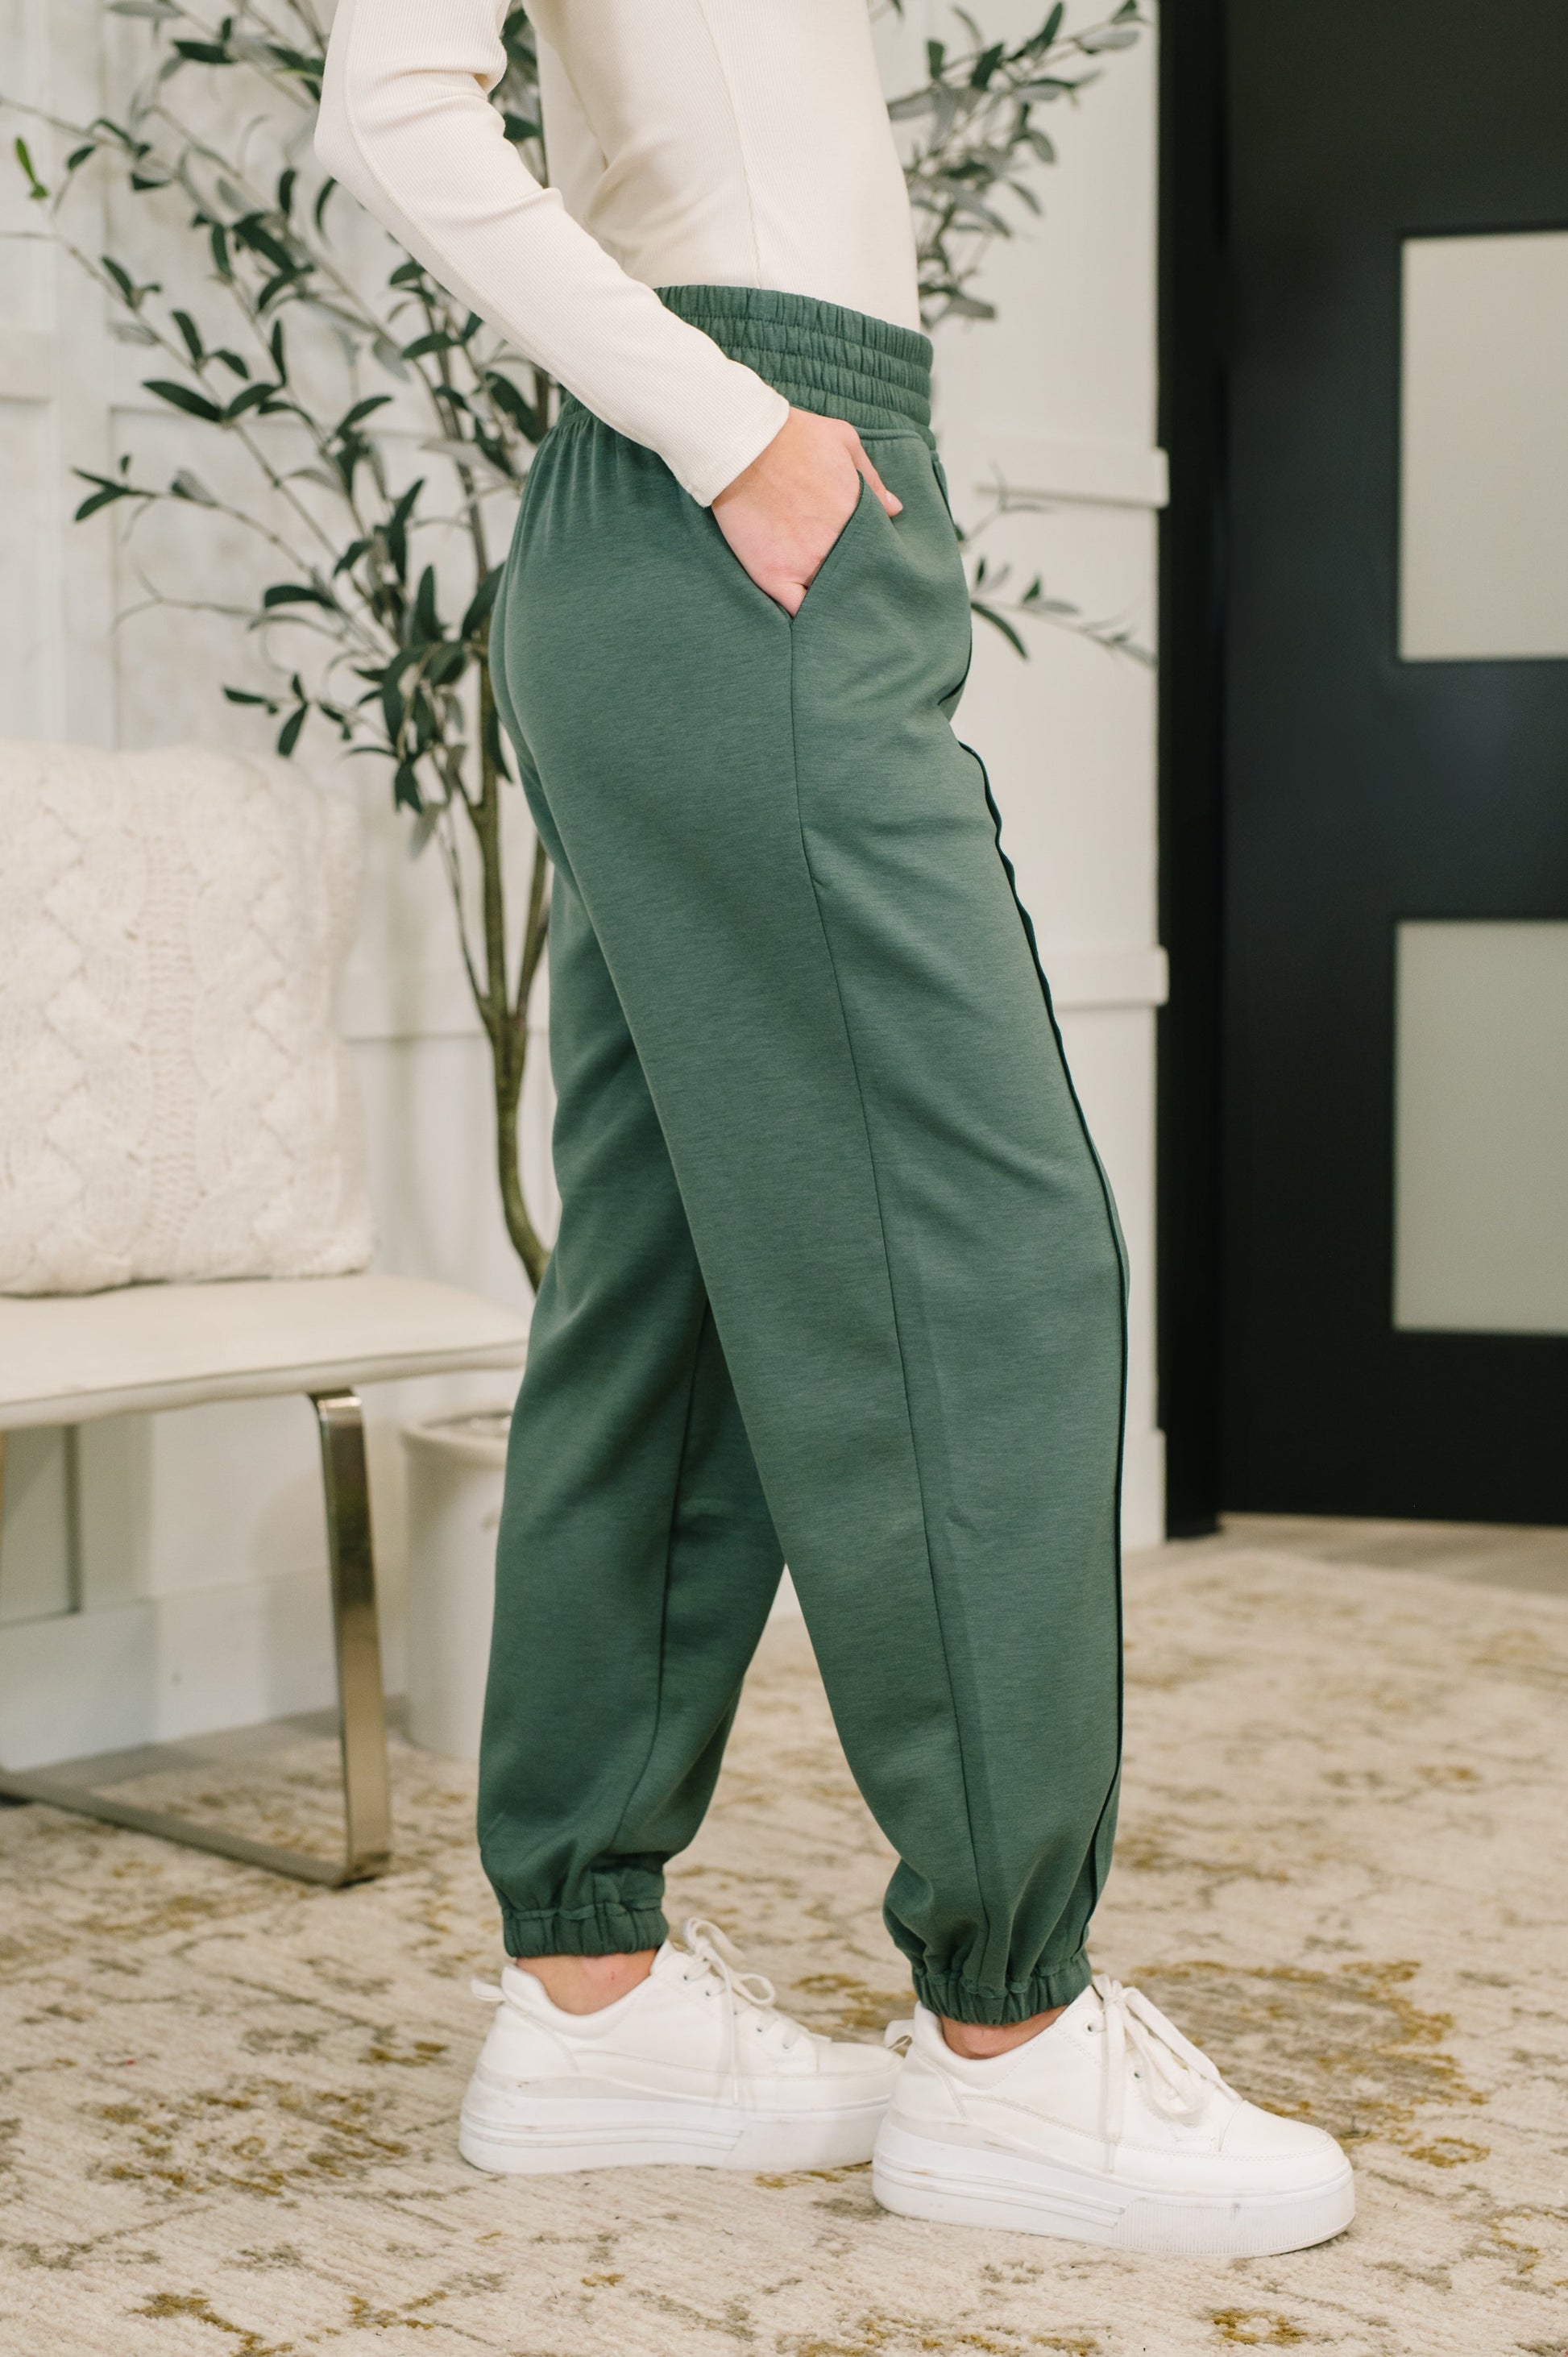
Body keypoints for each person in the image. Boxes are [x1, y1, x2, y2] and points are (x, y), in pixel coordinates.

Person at [316, 0, 1353, 2255]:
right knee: (987, 1260)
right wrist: (738, 430)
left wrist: (768, 443)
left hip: (744, 505)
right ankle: (1011, 2040)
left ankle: (589, 2000)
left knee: (681, 1278)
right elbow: (389, 104)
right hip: (730, 493)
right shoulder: (732, 436)